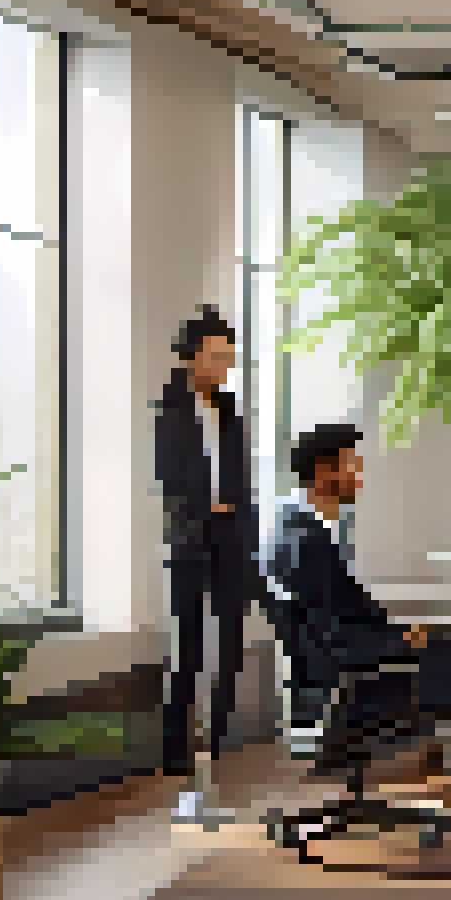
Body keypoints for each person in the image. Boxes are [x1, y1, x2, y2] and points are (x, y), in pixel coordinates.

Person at [265, 423, 451, 855]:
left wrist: (404, 636)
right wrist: (405, 646)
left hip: (358, 672)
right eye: (352, 465)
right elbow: (334, 640)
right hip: (366, 683)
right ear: (324, 472)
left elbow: (334, 623)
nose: (360, 474)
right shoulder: (306, 541)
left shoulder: (296, 529)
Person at [154, 306, 257, 776]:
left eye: (230, 357)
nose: (224, 365)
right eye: (217, 355)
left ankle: (216, 741)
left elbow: (241, 476)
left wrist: (242, 526)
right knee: (188, 643)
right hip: (190, 534)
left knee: (231, 641)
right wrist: (202, 509)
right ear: (191, 357)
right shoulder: (170, 408)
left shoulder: (230, 410)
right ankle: (176, 750)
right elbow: (168, 476)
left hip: (231, 533)